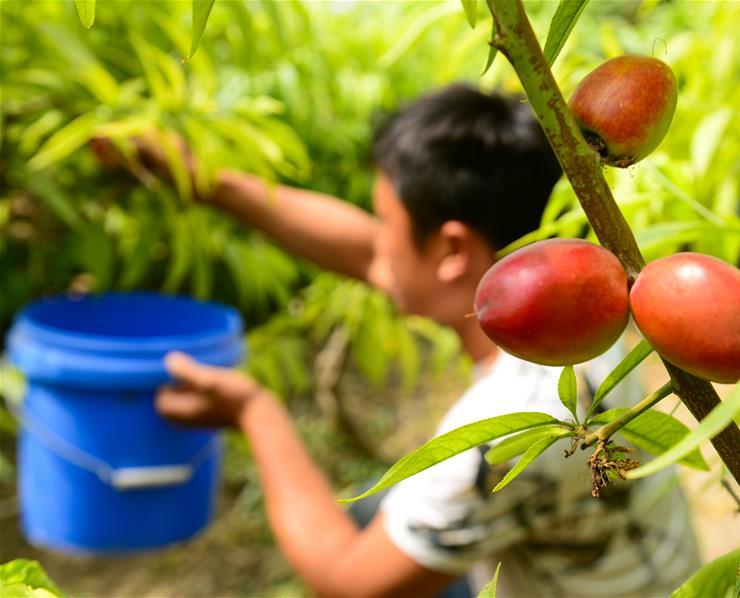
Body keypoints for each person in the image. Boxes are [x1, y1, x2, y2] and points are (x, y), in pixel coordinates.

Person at [98, 84, 700, 597]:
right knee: (377, 510)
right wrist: (201, 180)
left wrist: (254, 412)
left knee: (369, 529)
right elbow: (363, 249)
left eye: (386, 223)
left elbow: (348, 582)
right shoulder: (585, 301)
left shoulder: (512, 427)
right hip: (646, 558)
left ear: (453, 251)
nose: (376, 246)